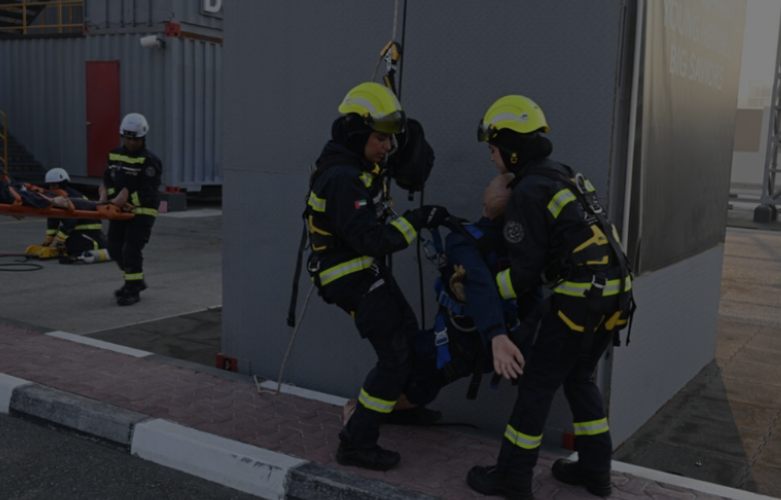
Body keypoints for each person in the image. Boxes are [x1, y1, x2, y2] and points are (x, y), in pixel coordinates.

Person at [466, 95, 635, 500]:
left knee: (536, 387)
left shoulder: (528, 191)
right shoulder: (566, 176)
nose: (491, 159)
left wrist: (483, 293)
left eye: (492, 149)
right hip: (617, 296)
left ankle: (512, 477)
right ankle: (596, 472)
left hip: (580, 300)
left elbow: (524, 273)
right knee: (578, 378)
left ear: (509, 147)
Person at [305, 82, 447, 471]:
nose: (387, 148)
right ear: (356, 131)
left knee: (408, 332)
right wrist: (417, 220)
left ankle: (397, 409)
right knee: (395, 356)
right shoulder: (343, 177)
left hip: (364, 271)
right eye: (381, 138)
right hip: (350, 277)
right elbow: (370, 238)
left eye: (390, 140)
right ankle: (355, 443)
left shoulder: (358, 167)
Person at [102, 113, 162, 306]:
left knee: (131, 250)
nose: (131, 142)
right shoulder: (114, 155)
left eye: (135, 139)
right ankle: (134, 280)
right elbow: (109, 178)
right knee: (113, 247)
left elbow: (149, 191)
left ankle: (132, 290)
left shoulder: (149, 161)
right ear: (122, 136)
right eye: (128, 138)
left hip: (143, 212)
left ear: (143, 137)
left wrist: (125, 203)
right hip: (120, 210)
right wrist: (112, 199)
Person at [41, 168, 109, 259]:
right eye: (50, 185)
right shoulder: (57, 198)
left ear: (62, 184)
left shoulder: (73, 197)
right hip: (77, 230)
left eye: (54, 184)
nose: (51, 188)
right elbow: (53, 217)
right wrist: (49, 239)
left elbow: (71, 221)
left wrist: (60, 240)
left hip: (87, 230)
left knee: (73, 250)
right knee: (65, 248)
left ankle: (95, 245)